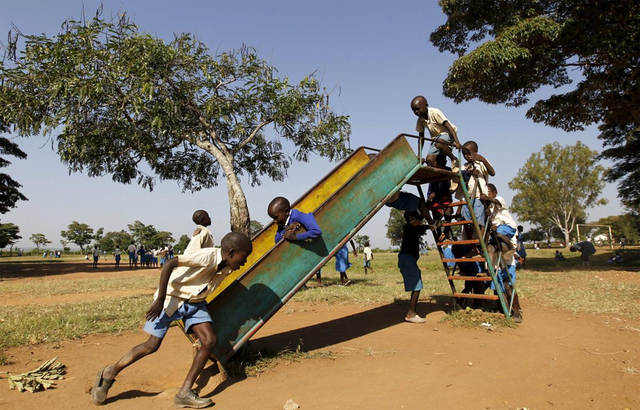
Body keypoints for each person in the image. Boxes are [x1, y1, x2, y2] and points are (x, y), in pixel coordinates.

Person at [91, 232, 253, 408]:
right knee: (151, 345)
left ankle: (184, 393)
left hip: (195, 304)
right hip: (171, 299)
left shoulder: (228, 266)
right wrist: (160, 299)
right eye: (243, 257)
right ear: (231, 252)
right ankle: (109, 372)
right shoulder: (207, 257)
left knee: (209, 340)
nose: (244, 262)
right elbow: (169, 263)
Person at [267, 196, 323, 283]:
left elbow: (316, 231)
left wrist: (296, 237)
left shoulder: (299, 216)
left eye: (276, 217)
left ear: (286, 211)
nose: (274, 221)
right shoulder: (282, 223)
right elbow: (277, 240)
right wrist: (286, 230)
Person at [454, 141, 495, 252]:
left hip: (479, 196)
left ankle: (479, 243)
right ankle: (472, 244)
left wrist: (482, 159)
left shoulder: (481, 164)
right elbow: (460, 177)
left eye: (468, 154)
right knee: (466, 220)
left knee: (478, 221)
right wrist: (469, 173)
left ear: (475, 152)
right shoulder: (465, 166)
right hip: (468, 197)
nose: (467, 157)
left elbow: (492, 172)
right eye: (464, 155)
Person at [410, 95, 462, 168]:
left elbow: (448, 126)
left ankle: (454, 159)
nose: (416, 112)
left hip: (448, 134)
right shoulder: (420, 120)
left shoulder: (434, 113)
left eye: (418, 109)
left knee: (439, 144)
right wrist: (419, 155)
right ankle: (448, 172)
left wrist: (457, 142)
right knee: (429, 160)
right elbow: (421, 138)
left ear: (426, 105)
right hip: (436, 139)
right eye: (414, 110)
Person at [398, 210, 430, 323]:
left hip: (406, 259)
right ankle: (411, 314)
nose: (419, 222)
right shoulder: (410, 228)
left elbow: (420, 227)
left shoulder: (409, 228)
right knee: (417, 285)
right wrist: (432, 225)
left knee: (416, 284)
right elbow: (422, 227)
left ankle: (411, 313)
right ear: (412, 220)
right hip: (408, 259)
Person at [482, 183, 518, 257]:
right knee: (491, 248)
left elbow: (497, 202)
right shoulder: (488, 207)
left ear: (495, 192)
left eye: (488, 191)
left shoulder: (499, 199)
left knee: (499, 233)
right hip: (497, 230)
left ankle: (511, 248)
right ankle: (491, 268)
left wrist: (487, 198)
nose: (487, 193)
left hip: (508, 226)